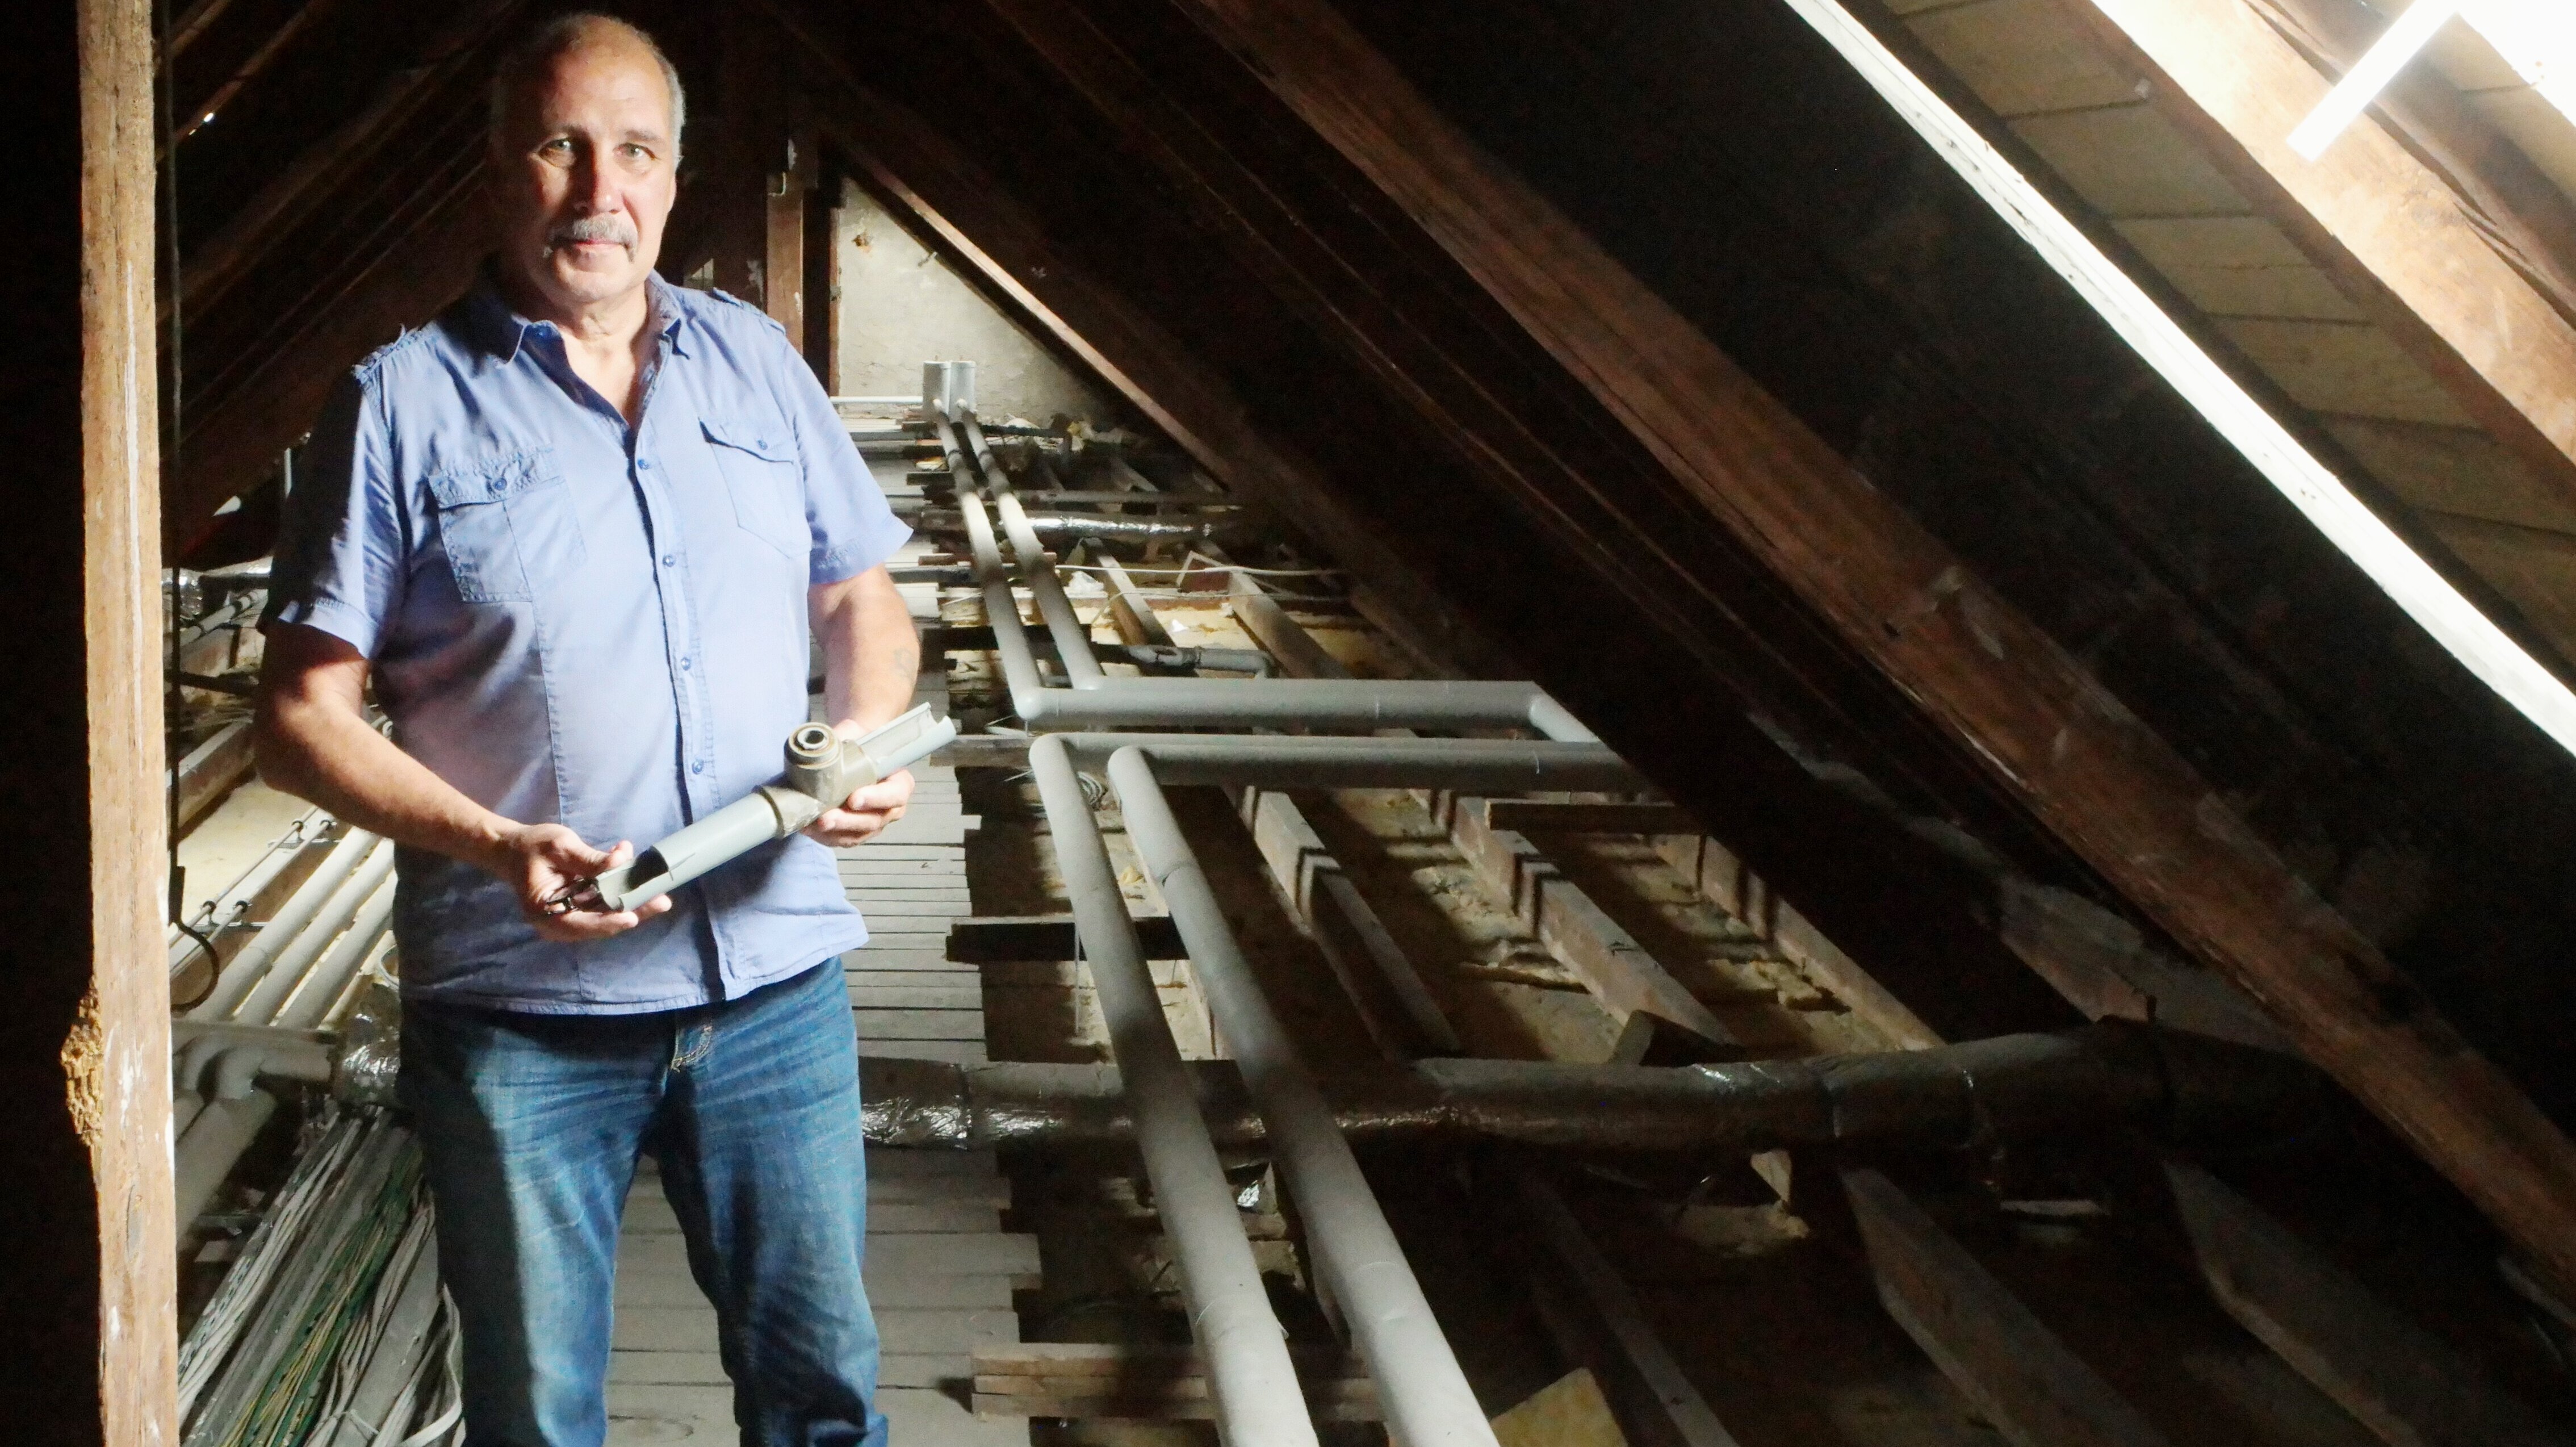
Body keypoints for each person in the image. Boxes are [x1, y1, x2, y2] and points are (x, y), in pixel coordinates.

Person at [252, 14, 915, 1445]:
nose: (598, 190)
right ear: (499, 165)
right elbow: (300, 717)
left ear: (673, 176)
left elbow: (859, 591)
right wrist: (496, 844)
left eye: (634, 151)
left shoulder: (754, 361)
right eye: (560, 146)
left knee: (822, 1396)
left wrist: (859, 735)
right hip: (521, 1020)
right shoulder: (396, 406)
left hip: (772, 984)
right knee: (538, 1416)